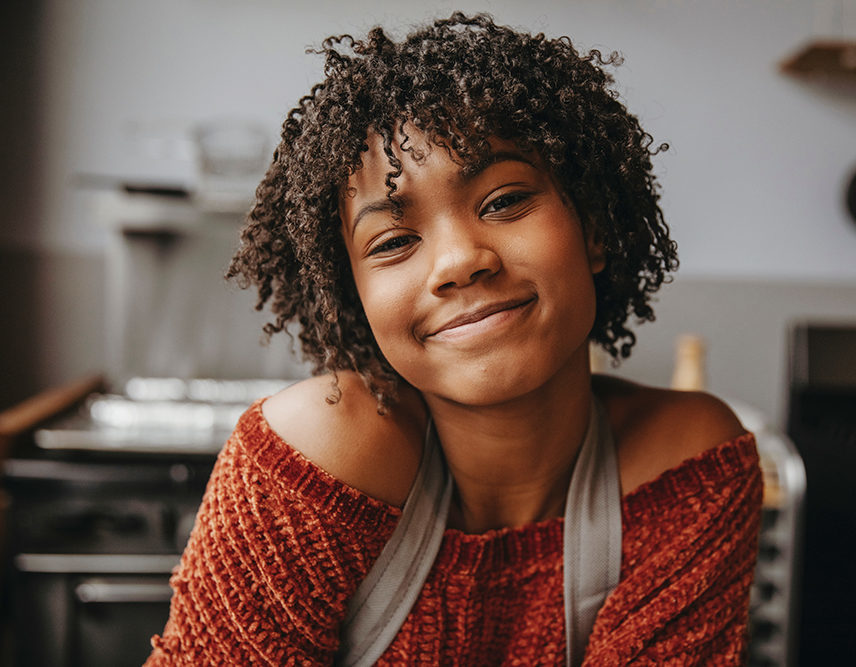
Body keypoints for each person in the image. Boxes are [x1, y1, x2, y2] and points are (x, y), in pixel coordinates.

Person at [146, 12, 762, 666]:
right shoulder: (319, 457)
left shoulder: (681, 470)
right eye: (392, 241)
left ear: (594, 226)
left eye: (502, 201)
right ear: (353, 296)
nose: (458, 260)